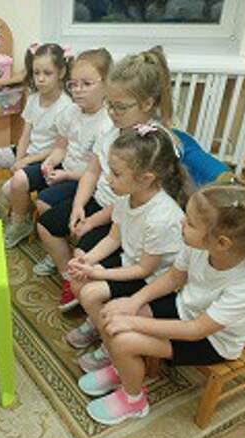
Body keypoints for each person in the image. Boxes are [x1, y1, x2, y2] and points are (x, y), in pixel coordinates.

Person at [78, 185, 245, 426]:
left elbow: (196, 330)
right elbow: (173, 278)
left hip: (215, 341)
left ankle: (133, 401)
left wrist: (133, 322)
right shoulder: (198, 245)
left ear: (222, 242)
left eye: (190, 223)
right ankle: (122, 368)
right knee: (114, 311)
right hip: (186, 309)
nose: (182, 221)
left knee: (123, 339)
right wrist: (133, 302)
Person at [37, 46, 176, 311]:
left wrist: (92, 221)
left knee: (84, 254)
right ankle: (70, 277)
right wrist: (79, 206)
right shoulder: (112, 131)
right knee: (47, 224)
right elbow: (92, 171)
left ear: (147, 104)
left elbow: (132, 201)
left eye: (120, 106)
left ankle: (81, 287)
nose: (111, 112)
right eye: (109, 104)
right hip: (105, 203)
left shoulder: (154, 144)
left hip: (121, 215)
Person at [65, 124, 188, 372]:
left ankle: (111, 345)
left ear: (146, 178)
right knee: (78, 278)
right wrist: (87, 261)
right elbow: (113, 239)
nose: (108, 179)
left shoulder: (162, 217)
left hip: (155, 279)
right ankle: (99, 324)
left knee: (90, 292)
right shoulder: (126, 197)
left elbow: (144, 270)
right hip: (131, 264)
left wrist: (98, 272)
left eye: (116, 174)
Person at [0, 43, 72, 237]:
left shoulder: (66, 107)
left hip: (45, 160)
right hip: (25, 152)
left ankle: (22, 223)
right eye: (36, 73)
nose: (40, 79)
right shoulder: (34, 98)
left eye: (47, 73)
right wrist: (19, 159)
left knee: (8, 189)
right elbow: (25, 134)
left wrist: (25, 162)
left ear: (61, 73)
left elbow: (58, 148)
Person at [31, 48, 114, 276]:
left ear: (106, 84)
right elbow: (60, 146)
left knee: (47, 205)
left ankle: (62, 251)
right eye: (73, 84)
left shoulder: (107, 123)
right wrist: (50, 162)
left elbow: (95, 172)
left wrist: (66, 175)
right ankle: (60, 253)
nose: (77, 90)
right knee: (42, 202)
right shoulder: (71, 113)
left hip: (88, 182)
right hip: (72, 172)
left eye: (86, 84)